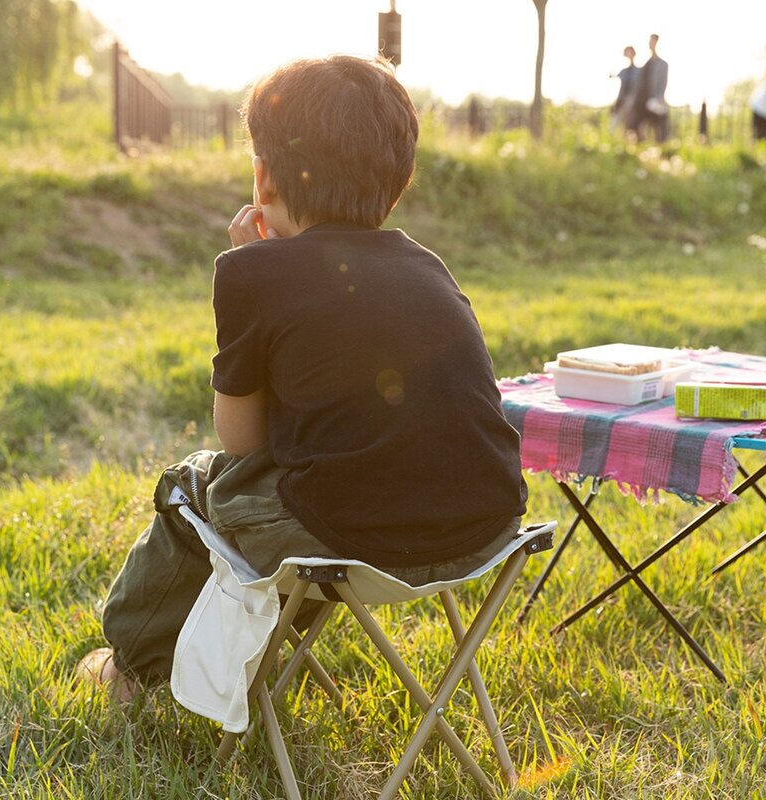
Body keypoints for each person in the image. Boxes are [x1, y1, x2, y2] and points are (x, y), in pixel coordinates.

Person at [76, 55, 528, 699]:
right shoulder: (430, 267)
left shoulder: (251, 272)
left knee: (192, 486)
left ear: (263, 179)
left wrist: (250, 266)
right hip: (484, 531)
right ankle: (262, 643)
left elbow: (240, 443)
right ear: (397, 182)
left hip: (349, 536)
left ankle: (129, 666)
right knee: (318, 479)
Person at [630, 34, 669, 143]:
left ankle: (661, 148)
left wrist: (658, 98)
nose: (650, 44)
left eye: (652, 41)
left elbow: (662, 83)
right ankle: (640, 147)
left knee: (659, 127)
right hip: (642, 100)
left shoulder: (662, 64)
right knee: (638, 125)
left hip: (655, 100)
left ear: (656, 42)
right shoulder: (645, 65)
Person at [610, 45, 639, 133]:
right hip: (621, 99)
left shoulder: (638, 71)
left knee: (630, 122)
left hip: (632, 101)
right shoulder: (624, 71)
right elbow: (615, 76)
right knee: (615, 120)